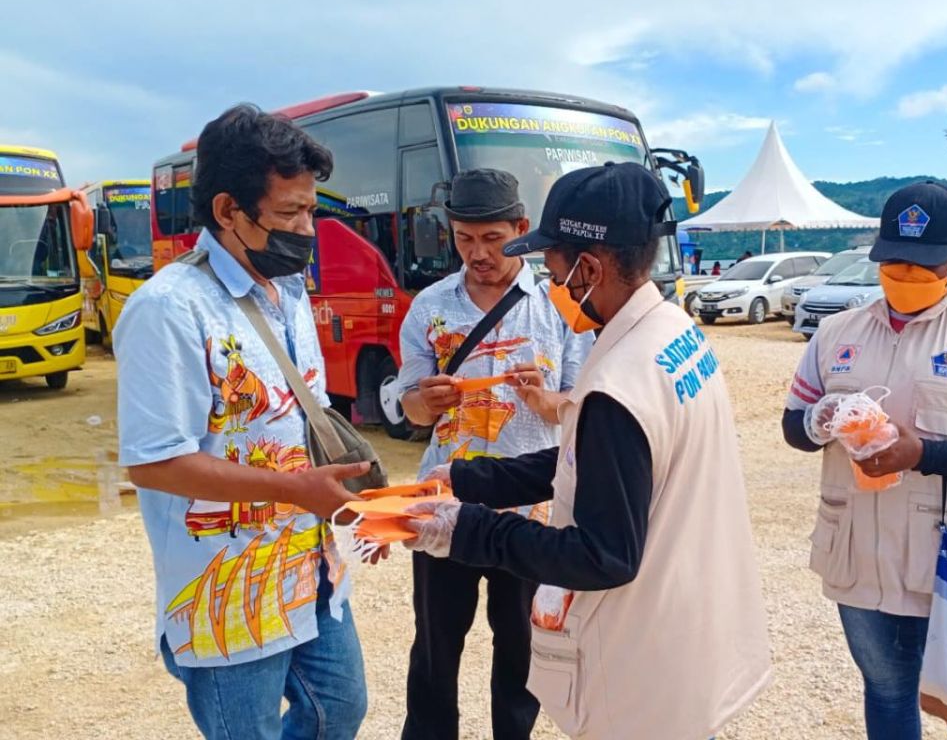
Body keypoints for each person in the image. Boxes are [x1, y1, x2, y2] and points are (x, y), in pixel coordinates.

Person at [398, 162, 772, 739]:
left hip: (640, 646)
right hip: (686, 607)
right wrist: (473, 481)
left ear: (590, 268)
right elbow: (590, 460)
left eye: (553, 270)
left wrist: (467, 529)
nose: (552, 286)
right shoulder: (672, 331)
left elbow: (603, 555)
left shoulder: (617, 383)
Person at [114, 105, 371, 739]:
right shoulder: (168, 310)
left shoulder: (290, 290)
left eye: (312, 211)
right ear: (228, 210)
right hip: (227, 586)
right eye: (289, 214)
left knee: (338, 709)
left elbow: (304, 419)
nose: (307, 230)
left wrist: (356, 505)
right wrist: (292, 491)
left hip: (311, 565)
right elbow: (153, 459)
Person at [781, 181, 947, 740]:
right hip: (858, 552)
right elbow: (794, 427)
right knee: (885, 692)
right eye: (895, 261)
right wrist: (823, 418)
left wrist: (921, 452)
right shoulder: (836, 333)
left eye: (922, 264)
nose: (905, 275)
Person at [385, 169, 593, 740]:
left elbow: (583, 408)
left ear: (521, 229)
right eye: (464, 239)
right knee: (435, 643)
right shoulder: (430, 306)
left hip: (530, 507)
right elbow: (409, 409)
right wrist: (422, 402)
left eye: (492, 239)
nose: (477, 253)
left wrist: (544, 399)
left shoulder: (560, 304)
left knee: (521, 642)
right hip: (445, 498)